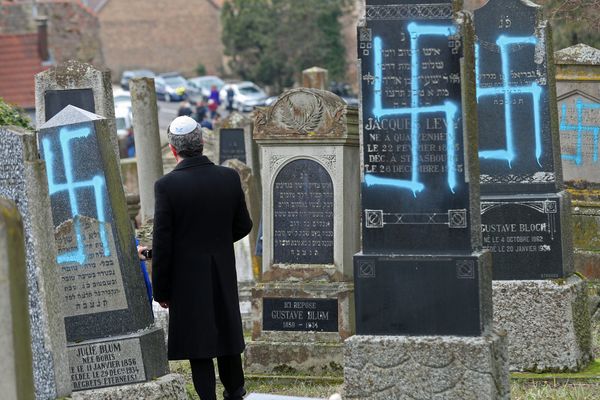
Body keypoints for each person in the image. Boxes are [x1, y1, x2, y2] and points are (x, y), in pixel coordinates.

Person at [152, 116, 252, 400]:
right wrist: (216, 242)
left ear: (174, 150)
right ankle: (235, 391)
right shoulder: (228, 176)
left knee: (199, 343)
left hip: (186, 277)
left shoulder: (167, 186)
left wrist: (161, 290)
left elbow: (163, 242)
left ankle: (207, 397)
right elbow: (244, 225)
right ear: (202, 142)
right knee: (226, 334)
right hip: (221, 267)